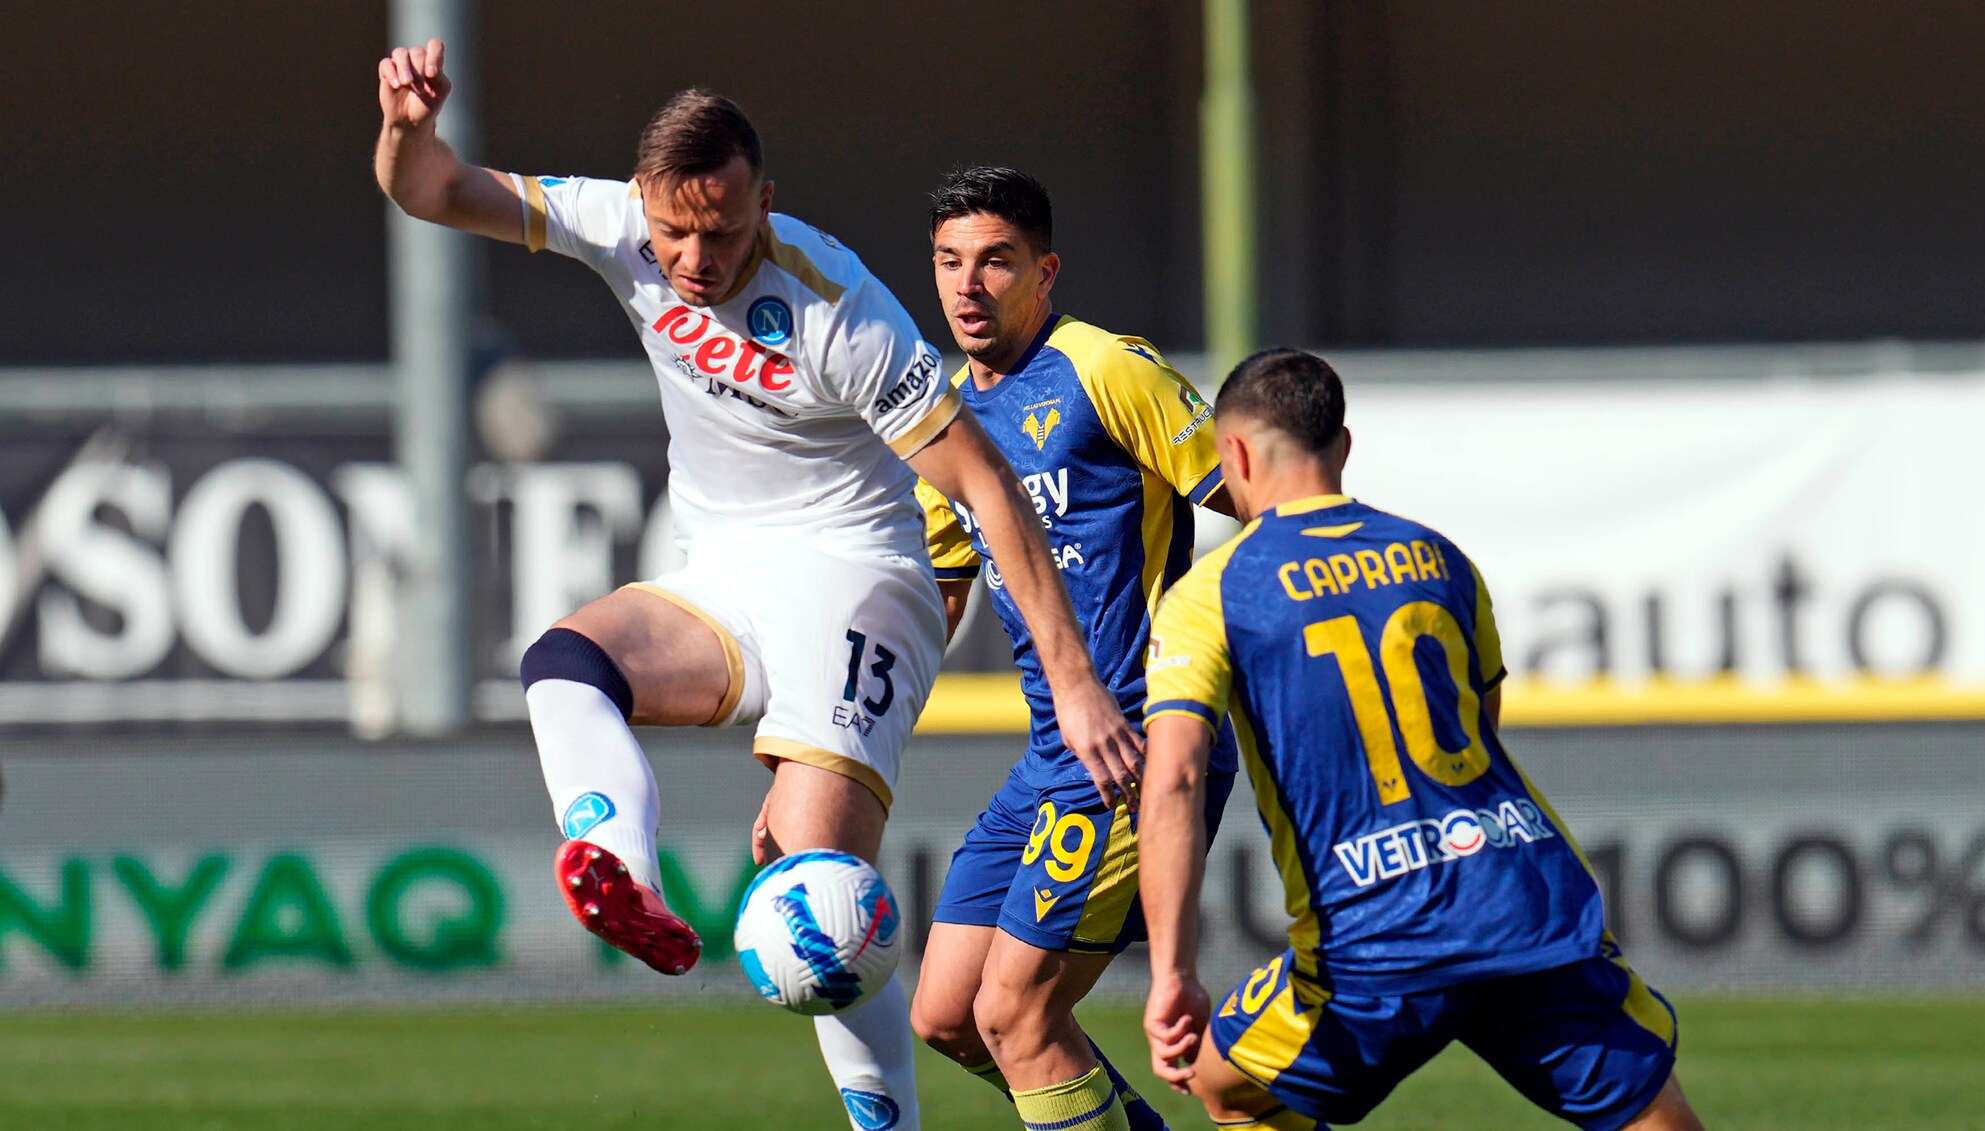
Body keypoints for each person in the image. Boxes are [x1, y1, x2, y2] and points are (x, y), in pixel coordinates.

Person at [375, 41, 1142, 1131]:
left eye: (723, 232)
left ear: (765, 205)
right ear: (642, 201)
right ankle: (619, 870)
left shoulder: (841, 308)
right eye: (673, 232)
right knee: (564, 663)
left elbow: (985, 483)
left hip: (862, 581)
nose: (692, 258)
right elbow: (432, 189)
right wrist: (406, 128)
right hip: (725, 570)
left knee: (813, 879)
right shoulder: (615, 222)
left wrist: (1073, 682)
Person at [1138, 349, 1706, 1131]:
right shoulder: (1440, 557)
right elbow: (1482, 724)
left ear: (1232, 452)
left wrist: (1173, 968)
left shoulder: (1214, 591)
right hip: (1520, 895)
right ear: (1342, 446)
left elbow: (1174, 777)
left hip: (1373, 937)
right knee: (1652, 1116)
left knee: (1222, 1080)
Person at [908, 167, 1239, 1131]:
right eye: (949, 262)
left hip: (1135, 745)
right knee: (948, 1015)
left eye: (996, 262)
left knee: (1016, 1014)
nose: (968, 286)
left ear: (1044, 272)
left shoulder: (1106, 369)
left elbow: (1263, 498)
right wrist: (831, 750)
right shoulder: (944, 421)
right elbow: (937, 601)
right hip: (1050, 755)